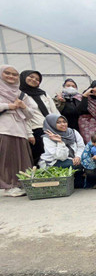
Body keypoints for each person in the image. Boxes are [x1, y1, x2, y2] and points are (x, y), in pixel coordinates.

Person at [0, 65, 36, 197]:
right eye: (7, 73)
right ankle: (8, 186)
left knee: (21, 158)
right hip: (4, 128)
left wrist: (23, 106)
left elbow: (31, 114)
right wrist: (9, 106)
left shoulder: (21, 94)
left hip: (20, 129)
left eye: (14, 74)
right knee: (6, 159)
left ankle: (20, 184)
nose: (11, 76)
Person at [20, 70, 59, 165]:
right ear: (23, 77)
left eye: (37, 79)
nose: (34, 80)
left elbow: (54, 111)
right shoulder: (21, 95)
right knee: (39, 157)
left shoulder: (43, 94)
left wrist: (59, 125)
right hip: (36, 130)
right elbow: (24, 117)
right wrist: (29, 134)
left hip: (50, 129)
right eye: (31, 77)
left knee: (53, 156)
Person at [40, 114, 85, 187]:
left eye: (64, 122)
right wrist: (60, 142)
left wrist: (78, 157)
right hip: (55, 162)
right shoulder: (48, 138)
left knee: (85, 161)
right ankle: (74, 184)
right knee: (75, 164)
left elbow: (81, 146)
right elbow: (61, 157)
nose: (63, 124)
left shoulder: (72, 132)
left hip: (73, 158)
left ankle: (78, 183)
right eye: (58, 122)